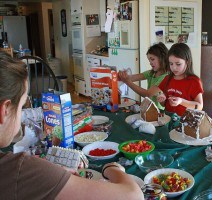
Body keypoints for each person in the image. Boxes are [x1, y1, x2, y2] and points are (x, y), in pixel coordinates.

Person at [0, 52, 143, 200]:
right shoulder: (20, 169)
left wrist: (52, 176)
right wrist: (112, 168)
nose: (23, 113)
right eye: (22, 106)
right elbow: (133, 196)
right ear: (5, 111)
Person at [149, 43, 204, 116]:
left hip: (186, 122)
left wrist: (181, 101)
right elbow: (163, 105)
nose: (174, 68)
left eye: (178, 64)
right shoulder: (167, 78)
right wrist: (162, 99)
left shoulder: (194, 81)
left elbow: (199, 106)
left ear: (187, 62)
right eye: (171, 64)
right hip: (168, 118)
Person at [118, 42, 168, 110]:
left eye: (152, 59)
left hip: (159, 112)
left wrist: (127, 81)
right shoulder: (151, 73)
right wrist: (121, 76)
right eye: (149, 60)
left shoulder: (165, 77)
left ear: (162, 58)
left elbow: (147, 94)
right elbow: (131, 78)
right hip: (149, 108)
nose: (150, 63)